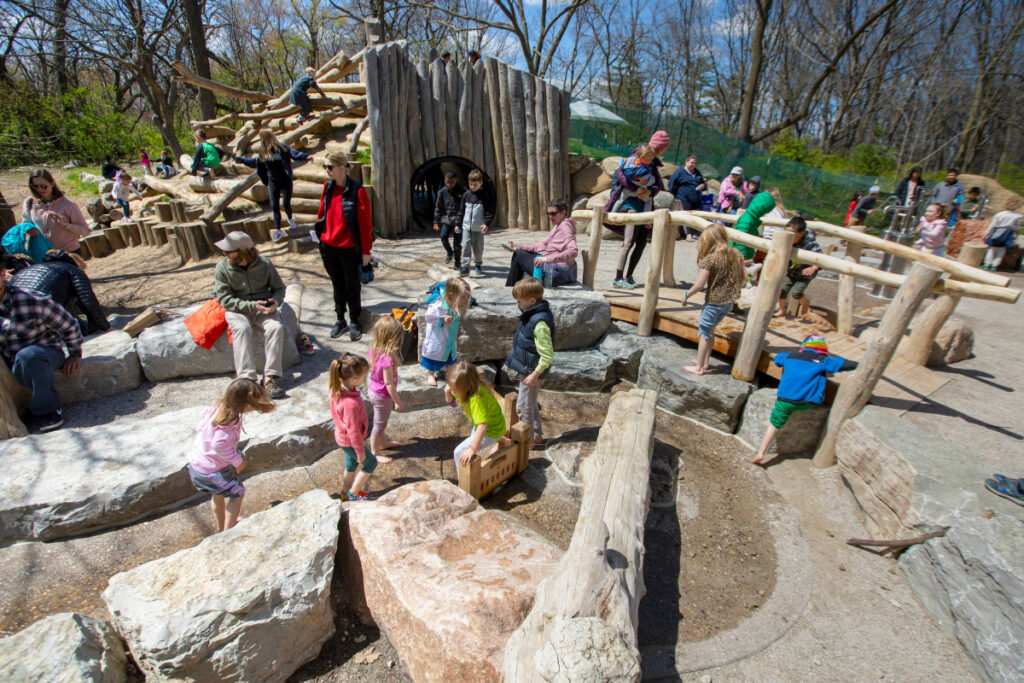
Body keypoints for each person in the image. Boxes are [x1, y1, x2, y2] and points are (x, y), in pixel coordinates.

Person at [0, 253, 84, 433]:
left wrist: (75, 354)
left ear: (2, 275)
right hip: (9, 358)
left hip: (42, 353)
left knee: (28, 356)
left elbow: (69, 324)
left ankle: (47, 410)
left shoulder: (31, 300)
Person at [750, 335, 857, 465]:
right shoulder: (824, 360)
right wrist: (860, 365)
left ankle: (760, 453)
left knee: (773, 424)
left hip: (784, 401)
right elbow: (844, 364)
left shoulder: (790, 356)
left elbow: (778, 359)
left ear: (803, 348)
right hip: (808, 403)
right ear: (822, 351)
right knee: (818, 380)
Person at [187, 378, 275, 532]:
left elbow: (203, 428)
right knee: (237, 492)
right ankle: (228, 531)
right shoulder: (228, 421)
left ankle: (221, 527)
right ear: (243, 403)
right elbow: (218, 445)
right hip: (211, 471)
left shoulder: (219, 407)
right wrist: (237, 461)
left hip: (197, 467)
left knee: (217, 494)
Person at [213, 231, 287, 399]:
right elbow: (224, 299)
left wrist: (276, 301)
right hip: (238, 310)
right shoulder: (222, 268)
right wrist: (251, 305)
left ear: (243, 252)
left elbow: (279, 288)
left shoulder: (264, 264)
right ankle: (248, 380)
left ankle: (269, 378)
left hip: (264, 310)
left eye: (228, 250)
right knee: (242, 329)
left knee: (276, 327)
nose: (223, 253)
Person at [316, 150, 374, 341]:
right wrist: (320, 235)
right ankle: (340, 319)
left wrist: (366, 252)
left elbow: (365, 225)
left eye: (330, 167)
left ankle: (355, 320)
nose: (327, 170)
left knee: (352, 286)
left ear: (342, 168)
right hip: (328, 246)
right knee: (336, 284)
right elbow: (321, 213)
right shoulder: (327, 187)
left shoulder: (357, 191)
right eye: (325, 167)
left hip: (349, 248)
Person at [681, 224, 744, 375]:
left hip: (714, 302)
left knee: (704, 333)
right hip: (728, 302)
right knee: (710, 330)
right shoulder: (737, 253)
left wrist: (686, 296)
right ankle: (705, 361)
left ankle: (699, 367)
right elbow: (743, 278)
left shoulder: (710, 259)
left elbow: (700, 284)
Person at [503, 277, 553, 449]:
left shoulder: (539, 323)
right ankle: (536, 435)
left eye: (519, 301)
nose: (517, 304)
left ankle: (526, 442)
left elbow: (547, 355)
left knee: (523, 407)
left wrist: (534, 374)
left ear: (532, 301)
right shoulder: (532, 314)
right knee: (530, 404)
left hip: (533, 371)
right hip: (529, 369)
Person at [10, 250, 110, 336]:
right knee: (78, 327)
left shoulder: (28, 270)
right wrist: (104, 327)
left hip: (10, 319)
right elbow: (88, 300)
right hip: (41, 316)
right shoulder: (71, 270)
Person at [234, 129, 310, 236]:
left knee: (286, 203)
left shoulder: (282, 148)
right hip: (272, 181)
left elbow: (293, 153)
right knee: (274, 206)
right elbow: (255, 162)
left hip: (285, 180)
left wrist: (306, 157)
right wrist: (241, 160)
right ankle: (278, 230)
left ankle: (290, 219)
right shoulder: (263, 151)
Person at [445, 360, 510, 477]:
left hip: (491, 430)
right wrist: (448, 393)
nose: (451, 391)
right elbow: (454, 404)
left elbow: (482, 426)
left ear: (466, 387)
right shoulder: (468, 388)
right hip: (495, 424)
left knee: (459, 452)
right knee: (473, 437)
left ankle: (464, 484)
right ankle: (502, 441)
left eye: (454, 389)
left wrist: (472, 449)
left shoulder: (476, 399)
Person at [328, 352, 378, 501]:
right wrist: (360, 451)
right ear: (354, 379)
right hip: (350, 441)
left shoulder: (337, 388)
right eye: (364, 376)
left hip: (342, 439)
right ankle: (353, 494)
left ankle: (345, 492)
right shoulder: (350, 404)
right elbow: (353, 431)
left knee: (350, 465)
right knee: (370, 463)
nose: (365, 379)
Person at [505, 199, 578, 287]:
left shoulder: (565, 227)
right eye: (548, 214)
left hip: (558, 273)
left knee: (519, 256)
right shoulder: (558, 225)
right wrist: (519, 247)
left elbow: (573, 251)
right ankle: (518, 288)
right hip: (557, 270)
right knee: (521, 252)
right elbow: (542, 245)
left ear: (563, 212)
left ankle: (509, 289)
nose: (550, 217)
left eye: (553, 213)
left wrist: (546, 259)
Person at [367, 316, 406, 463]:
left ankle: (382, 443)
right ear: (392, 338)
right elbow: (389, 384)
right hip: (382, 396)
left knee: (382, 420)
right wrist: (398, 402)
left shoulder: (375, 349)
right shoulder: (387, 360)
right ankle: (374, 453)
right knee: (379, 424)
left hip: (374, 390)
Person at [22, 170, 90, 254]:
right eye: (35, 186)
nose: (39, 189)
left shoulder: (68, 205)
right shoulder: (29, 203)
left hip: (68, 253)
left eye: (43, 186)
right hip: (44, 253)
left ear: (52, 183)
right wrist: (29, 229)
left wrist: (65, 225)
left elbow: (86, 231)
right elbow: (25, 225)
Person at [421, 277, 470, 386]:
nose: (466, 299)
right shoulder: (438, 305)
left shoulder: (457, 304)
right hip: (438, 336)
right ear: (453, 295)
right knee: (434, 357)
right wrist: (441, 320)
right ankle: (431, 374)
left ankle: (450, 375)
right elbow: (428, 317)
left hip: (450, 336)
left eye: (467, 296)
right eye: (463, 297)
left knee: (450, 356)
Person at [775, 216, 823, 319]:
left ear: (801, 234)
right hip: (791, 271)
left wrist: (814, 267)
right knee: (782, 289)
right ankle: (781, 310)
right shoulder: (787, 241)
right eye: (787, 232)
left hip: (804, 274)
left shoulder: (810, 244)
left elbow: (820, 257)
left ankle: (805, 303)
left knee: (796, 293)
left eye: (793, 235)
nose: (789, 237)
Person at [611, 186, 652, 289]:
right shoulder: (627, 171)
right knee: (628, 243)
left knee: (641, 244)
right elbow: (622, 182)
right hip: (631, 211)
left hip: (644, 213)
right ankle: (618, 278)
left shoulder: (650, 171)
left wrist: (650, 191)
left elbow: (656, 185)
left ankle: (629, 275)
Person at [457, 169, 494, 277]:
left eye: (475, 184)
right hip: (466, 227)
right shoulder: (466, 195)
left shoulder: (484, 196)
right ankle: (465, 266)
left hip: (478, 227)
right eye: (471, 184)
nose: (473, 186)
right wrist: (458, 223)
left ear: (481, 183)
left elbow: (489, 211)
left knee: (478, 247)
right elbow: (461, 211)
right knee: (466, 246)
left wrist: (486, 223)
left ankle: (478, 263)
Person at [669, 153, 706, 240]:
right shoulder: (680, 172)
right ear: (686, 161)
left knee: (698, 216)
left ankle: (697, 234)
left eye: (694, 163)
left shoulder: (697, 172)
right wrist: (675, 194)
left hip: (696, 198)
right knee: (686, 215)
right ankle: (688, 235)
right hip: (683, 198)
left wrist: (702, 186)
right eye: (691, 163)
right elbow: (671, 184)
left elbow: (703, 184)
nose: (693, 165)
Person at [731, 190, 776, 261]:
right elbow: (740, 240)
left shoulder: (751, 218)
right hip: (740, 258)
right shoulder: (747, 220)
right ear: (761, 209)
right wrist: (743, 257)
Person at [981, 197, 1023, 270]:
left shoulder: (1000, 214)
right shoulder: (1019, 216)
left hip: (998, 231)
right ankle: (995, 265)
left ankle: (987, 264)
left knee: (991, 249)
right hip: (1008, 233)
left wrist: (986, 234)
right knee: (1002, 250)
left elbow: (992, 225)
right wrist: (1015, 236)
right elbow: (1017, 228)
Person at [433, 170, 465, 266]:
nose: (450, 184)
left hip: (458, 222)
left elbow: (464, 207)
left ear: (456, 180)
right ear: (445, 181)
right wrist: (436, 221)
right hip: (446, 220)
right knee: (443, 236)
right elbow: (438, 207)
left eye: (452, 182)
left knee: (457, 242)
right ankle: (449, 252)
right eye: (447, 182)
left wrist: (460, 222)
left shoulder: (463, 191)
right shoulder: (442, 192)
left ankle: (457, 261)